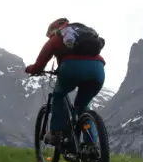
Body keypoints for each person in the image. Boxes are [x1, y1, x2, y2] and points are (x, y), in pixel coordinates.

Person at [25, 18, 106, 146]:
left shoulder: (56, 37)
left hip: (71, 69)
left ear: (52, 30)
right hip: (98, 70)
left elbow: (40, 64)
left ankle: (57, 133)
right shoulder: (84, 35)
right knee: (82, 107)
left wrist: (31, 69)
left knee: (58, 95)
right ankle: (91, 146)